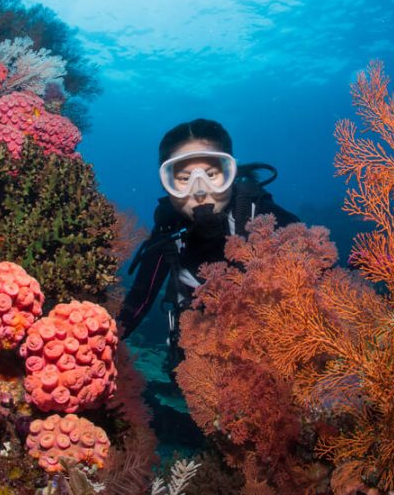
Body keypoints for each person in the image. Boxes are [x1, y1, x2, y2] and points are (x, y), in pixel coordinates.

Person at [117, 118, 299, 371]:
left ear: (230, 174)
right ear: (167, 185)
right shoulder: (169, 235)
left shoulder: (263, 219)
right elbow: (138, 302)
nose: (200, 191)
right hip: (205, 371)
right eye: (183, 179)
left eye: (212, 175)